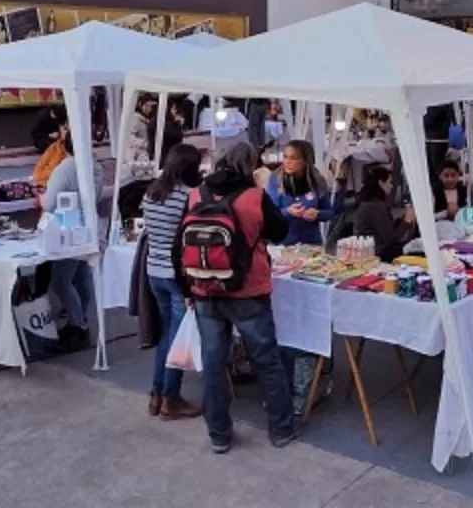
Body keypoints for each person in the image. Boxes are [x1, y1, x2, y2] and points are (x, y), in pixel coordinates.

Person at [182, 142, 294, 454]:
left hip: (205, 290)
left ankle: (219, 434)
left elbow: (180, 246)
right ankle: (281, 429)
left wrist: (187, 289)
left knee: (214, 364)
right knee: (267, 361)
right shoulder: (255, 197)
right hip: (249, 290)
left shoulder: (195, 195)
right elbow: (281, 231)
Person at [141, 144, 204, 420]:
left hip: (154, 270)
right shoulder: (188, 196)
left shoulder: (152, 192)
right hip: (177, 273)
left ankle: (157, 392)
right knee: (177, 338)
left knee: (167, 332)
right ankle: (170, 397)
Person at [42, 132, 104, 349]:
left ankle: (78, 323)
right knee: (81, 276)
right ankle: (79, 320)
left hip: (67, 228)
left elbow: (49, 203)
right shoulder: (95, 167)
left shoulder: (65, 169)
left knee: (61, 280)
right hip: (88, 226)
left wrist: (41, 197)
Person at [266, 140, 337, 245]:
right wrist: (288, 211)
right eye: (285, 157)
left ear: (305, 161)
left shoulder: (318, 180)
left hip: (311, 244)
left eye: (293, 158)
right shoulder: (275, 179)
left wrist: (317, 214)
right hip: (283, 244)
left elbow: (330, 213)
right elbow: (270, 214)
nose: (287, 162)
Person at [353, 166, 417, 263]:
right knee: (416, 249)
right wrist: (407, 221)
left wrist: (402, 219)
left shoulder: (368, 203)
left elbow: (385, 228)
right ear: (381, 183)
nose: (392, 186)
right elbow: (390, 239)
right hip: (378, 253)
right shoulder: (376, 206)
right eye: (389, 182)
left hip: (370, 249)